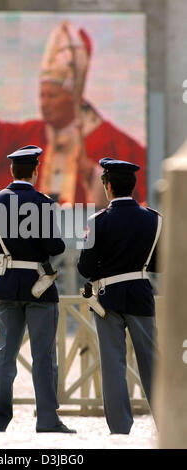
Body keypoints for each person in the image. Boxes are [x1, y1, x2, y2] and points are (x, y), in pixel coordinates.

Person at [0, 21, 146, 208]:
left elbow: (139, 192)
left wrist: (93, 176)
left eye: (52, 96)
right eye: (41, 96)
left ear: (73, 98)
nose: (44, 103)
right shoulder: (31, 135)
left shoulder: (110, 141)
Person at [0, 144, 76, 433]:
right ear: (35, 171)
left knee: (4, 354)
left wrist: (6, 244)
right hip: (39, 287)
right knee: (43, 356)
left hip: (6, 284)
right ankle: (47, 419)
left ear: (11, 170)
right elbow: (55, 247)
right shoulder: (43, 203)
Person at [77, 157, 162, 435]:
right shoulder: (153, 219)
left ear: (108, 185)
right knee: (151, 362)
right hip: (139, 294)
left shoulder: (96, 221)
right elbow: (159, 264)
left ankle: (120, 428)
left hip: (107, 296)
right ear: (133, 186)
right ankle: (167, 421)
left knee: (113, 365)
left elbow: (85, 268)